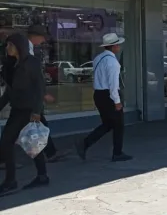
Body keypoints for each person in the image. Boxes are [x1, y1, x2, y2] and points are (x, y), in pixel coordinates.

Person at [0, 33, 49, 195]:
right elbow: (9, 92)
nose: (7, 48)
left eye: (10, 45)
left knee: (8, 141)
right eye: (7, 45)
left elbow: (39, 88)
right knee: (32, 143)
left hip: (29, 110)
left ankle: (11, 181)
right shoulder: (10, 65)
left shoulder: (31, 63)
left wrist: (36, 111)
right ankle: (42, 176)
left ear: (18, 46)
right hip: (17, 108)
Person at [75, 33, 132, 162]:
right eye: (117, 44)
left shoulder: (98, 58)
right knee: (118, 125)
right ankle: (117, 152)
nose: (119, 47)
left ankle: (85, 143)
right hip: (109, 95)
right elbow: (113, 84)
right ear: (114, 46)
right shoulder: (113, 62)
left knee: (108, 124)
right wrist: (117, 101)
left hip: (99, 94)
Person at [27, 25, 69, 162]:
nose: (44, 40)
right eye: (42, 37)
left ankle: (50, 154)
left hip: (31, 95)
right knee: (19, 127)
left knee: (40, 124)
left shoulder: (32, 50)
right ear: (35, 36)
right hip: (28, 96)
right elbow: (31, 76)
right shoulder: (27, 50)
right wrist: (42, 93)